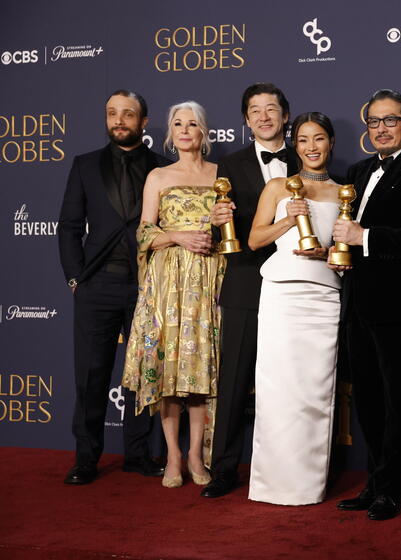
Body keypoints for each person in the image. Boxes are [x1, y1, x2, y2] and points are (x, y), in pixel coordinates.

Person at [332, 89, 401, 520]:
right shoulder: (358, 171)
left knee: (398, 401)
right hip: (358, 302)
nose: (381, 129)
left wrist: (365, 238)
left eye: (390, 121)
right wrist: (340, 252)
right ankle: (375, 482)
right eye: (374, 122)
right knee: (368, 401)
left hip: (399, 305)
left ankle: (392, 487)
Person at [58, 89, 168, 485]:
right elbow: (69, 227)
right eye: (111, 113)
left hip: (146, 285)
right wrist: (76, 279)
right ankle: (86, 458)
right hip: (97, 285)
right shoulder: (85, 165)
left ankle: (137, 455)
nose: (118, 120)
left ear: (143, 120)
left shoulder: (163, 168)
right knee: (91, 374)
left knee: (141, 374)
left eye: (127, 114)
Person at [121, 101, 226, 488]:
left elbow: (232, 229)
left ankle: (197, 454)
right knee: (168, 373)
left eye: (193, 123)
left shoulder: (220, 175)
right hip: (168, 281)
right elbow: (144, 231)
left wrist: (215, 228)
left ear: (204, 132)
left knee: (199, 369)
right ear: (169, 133)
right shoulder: (159, 176)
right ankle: (173, 454)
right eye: (177, 123)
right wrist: (177, 236)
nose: (185, 129)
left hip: (209, 278)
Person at [203, 83, 298, 499]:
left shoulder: (307, 158)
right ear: (246, 119)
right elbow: (222, 229)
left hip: (296, 285)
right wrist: (214, 217)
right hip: (245, 280)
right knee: (235, 378)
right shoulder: (230, 164)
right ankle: (223, 468)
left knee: (292, 381)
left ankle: (292, 467)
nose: (263, 116)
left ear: (285, 116)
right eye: (255, 110)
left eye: (271, 109)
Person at [246, 112, 341, 505]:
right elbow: (253, 239)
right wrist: (288, 220)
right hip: (282, 296)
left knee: (316, 395)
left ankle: (307, 486)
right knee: (278, 389)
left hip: (325, 299)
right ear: (294, 144)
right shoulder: (276, 186)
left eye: (319, 139)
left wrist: (329, 253)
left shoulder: (344, 191)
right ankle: (273, 484)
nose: (311, 147)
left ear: (330, 142)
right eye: (303, 140)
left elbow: (347, 248)